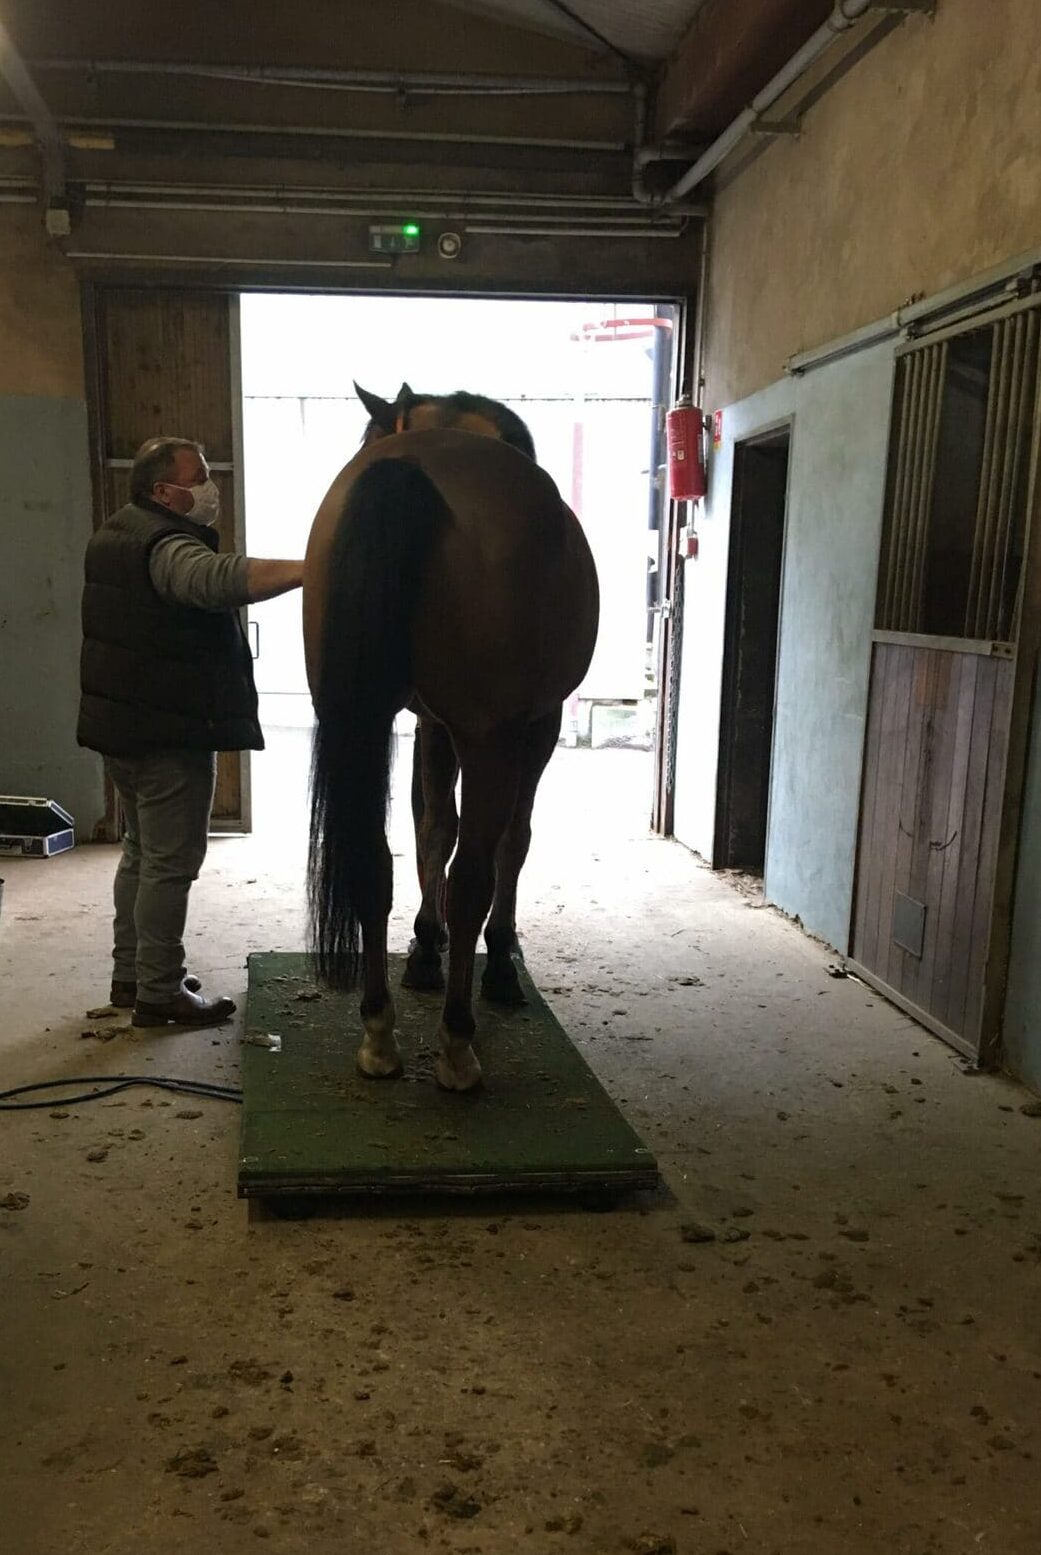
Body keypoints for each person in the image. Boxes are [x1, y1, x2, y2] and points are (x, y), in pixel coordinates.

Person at [77, 435, 304, 1027]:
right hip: (166, 733)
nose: (210, 488)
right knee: (169, 865)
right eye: (198, 477)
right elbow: (213, 580)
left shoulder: (117, 531)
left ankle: (132, 976)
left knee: (141, 854)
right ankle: (160, 993)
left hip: (125, 725)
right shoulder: (164, 545)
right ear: (162, 491)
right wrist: (315, 567)